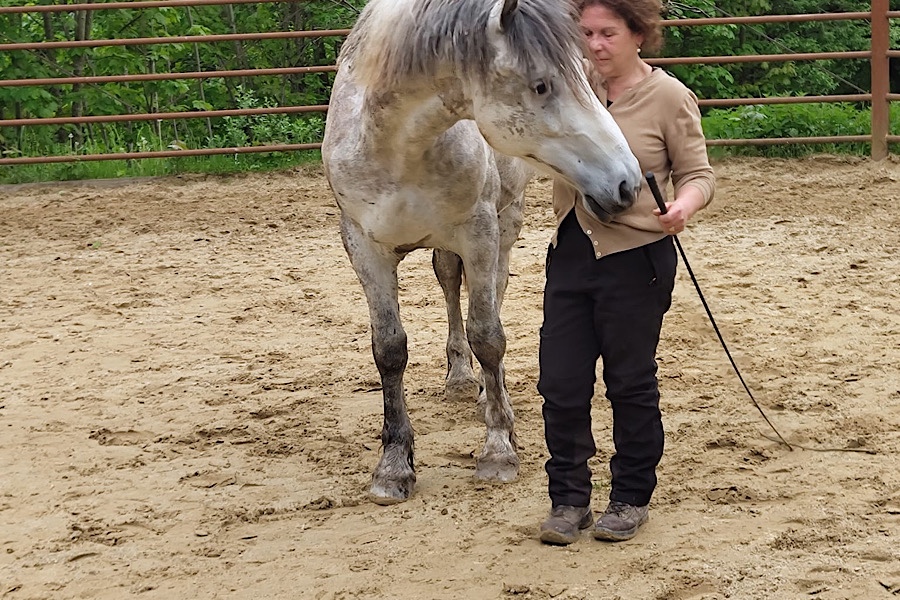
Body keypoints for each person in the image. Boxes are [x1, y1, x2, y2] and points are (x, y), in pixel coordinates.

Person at [538, 0, 716, 545]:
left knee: (629, 382)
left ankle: (630, 497)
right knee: (560, 383)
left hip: (637, 257)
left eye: (607, 33)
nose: (594, 44)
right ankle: (568, 500)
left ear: (638, 35)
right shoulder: (570, 90)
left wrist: (682, 208)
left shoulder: (668, 98)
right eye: (585, 33)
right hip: (570, 251)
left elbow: (698, 175)